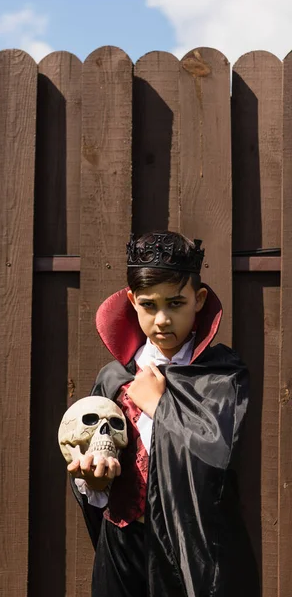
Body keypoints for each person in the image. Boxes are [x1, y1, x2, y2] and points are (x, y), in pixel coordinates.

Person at [67, 230, 260, 597]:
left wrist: (159, 405)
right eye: (149, 305)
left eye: (175, 304)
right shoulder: (115, 377)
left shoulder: (221, 374)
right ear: (131, 302)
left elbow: (217, 456)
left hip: (190, 551)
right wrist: (92, 482)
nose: (161, 320)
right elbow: (90, 450)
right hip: (122, 543)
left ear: (199, 300)